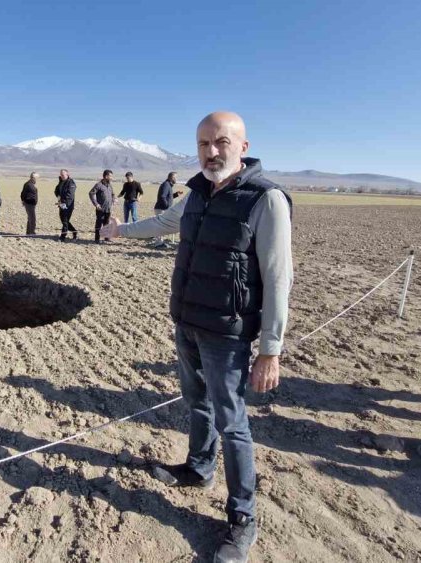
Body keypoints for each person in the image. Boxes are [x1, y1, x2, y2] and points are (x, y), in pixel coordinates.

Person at [101, 111, 292, 563]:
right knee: (197, 401)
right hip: (187, 323)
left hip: (227, 334)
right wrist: (121, 230)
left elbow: (278, 277)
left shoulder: (265, 200)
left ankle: (243, 517)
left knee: (233, 423)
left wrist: (270, 349)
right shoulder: (197, 194)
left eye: (221, 142)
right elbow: (163, 223)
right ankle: (199, 468)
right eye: (204, 143)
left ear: (243, 147)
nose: (211, 151)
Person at [152, 171, 181, 248]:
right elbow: (162, 197)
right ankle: (158, 243)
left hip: (162, 208)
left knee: (161, 226)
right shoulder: (166, 185)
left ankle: (160, 242)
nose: (176, 179)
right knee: (160, 226)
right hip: (161, 208)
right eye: (176, 177)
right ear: (172, 178)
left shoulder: (168, 185)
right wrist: (167, 206)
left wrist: (176, 194)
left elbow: (168, 197)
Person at [90, 169, 115, 243]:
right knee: (99, 223)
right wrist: (96, 204)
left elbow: (113, 194)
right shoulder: (99, 185)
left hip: (108, 208)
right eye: (110, 176)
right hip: (100, 208)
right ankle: (97, 239)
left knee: (106, 224)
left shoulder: (109, 185)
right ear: (106, 176)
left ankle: (107, 238)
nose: (112, 178)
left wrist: (114, 199)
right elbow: (91, 193)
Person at [54, 169, 78, 241]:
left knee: (65, 221)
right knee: (64, 221)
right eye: (61, 175)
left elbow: (70, 195)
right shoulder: (61, 182)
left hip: (68, 206)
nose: (62, 176)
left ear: (67, 174)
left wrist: (64, 203)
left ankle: (62, 237)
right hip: (61, 205)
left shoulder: (71, 183)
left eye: (63, 175)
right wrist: (58, 196)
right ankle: (74, 231)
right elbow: (56, 191)